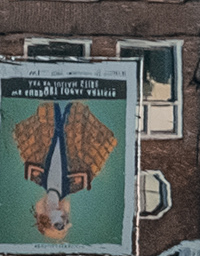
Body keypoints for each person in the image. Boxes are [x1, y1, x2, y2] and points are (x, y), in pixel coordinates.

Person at [8, 96, 118, 244]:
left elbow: (22, 130)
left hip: (50, 96)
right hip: (77, 97)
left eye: (49, 221)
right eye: (61, 222)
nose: (55, 216)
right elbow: (107, 141)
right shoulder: (80, 181)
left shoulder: (33, 173)